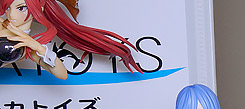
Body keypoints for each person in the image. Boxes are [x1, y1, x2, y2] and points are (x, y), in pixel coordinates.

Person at [0, 0, 141, 79]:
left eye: (21, 8)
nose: (11, 14)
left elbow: (62, 74)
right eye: (8, 8)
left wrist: (39, 47)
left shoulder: (28, 48)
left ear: (40, 8)